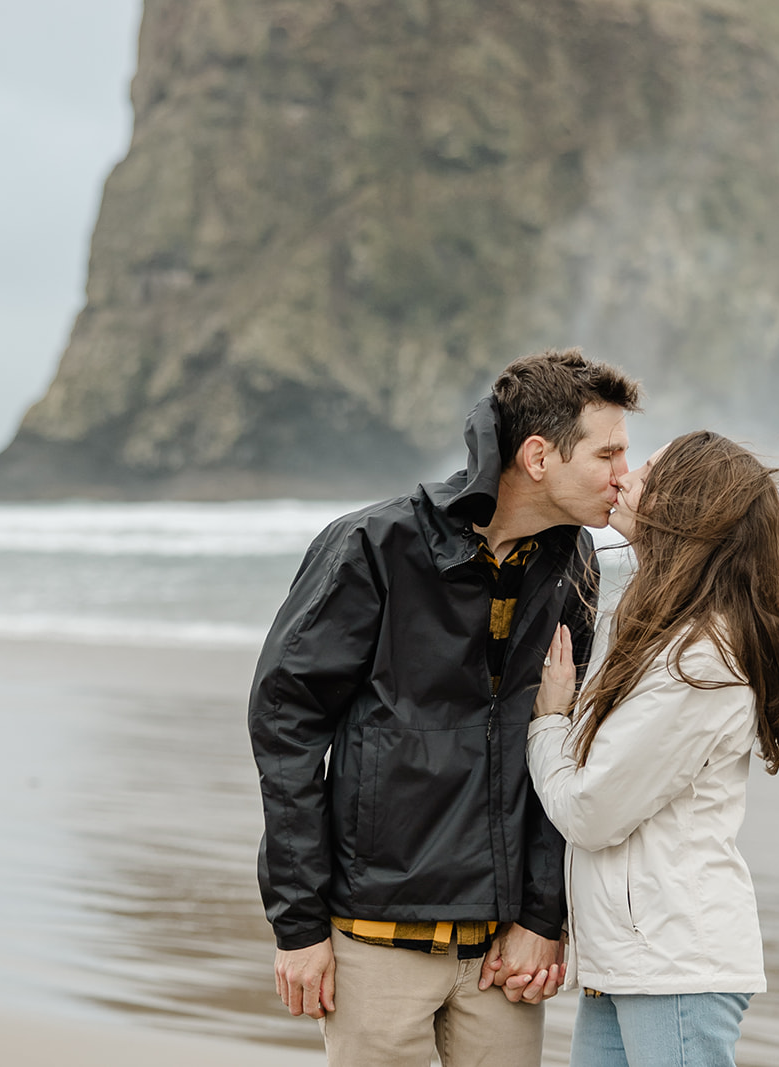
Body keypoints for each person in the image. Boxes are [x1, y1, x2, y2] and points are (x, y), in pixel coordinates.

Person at [248, 348, 641, 1066]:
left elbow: (564, 744)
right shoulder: (373, 547)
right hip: (374, 938)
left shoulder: (573, 562)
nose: (625, 474)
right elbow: (286, 728)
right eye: (608, 452)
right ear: (538, 455)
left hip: (505, 953)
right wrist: (298, 925)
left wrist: (541, 915)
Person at [525, 404, 779, 1067]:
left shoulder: (702, 660)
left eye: (645, 470)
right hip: (630, 960)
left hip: (676, 965)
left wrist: (548, 719)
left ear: (682, 504)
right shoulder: (660, 629)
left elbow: (591, 811)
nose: (623, 476)